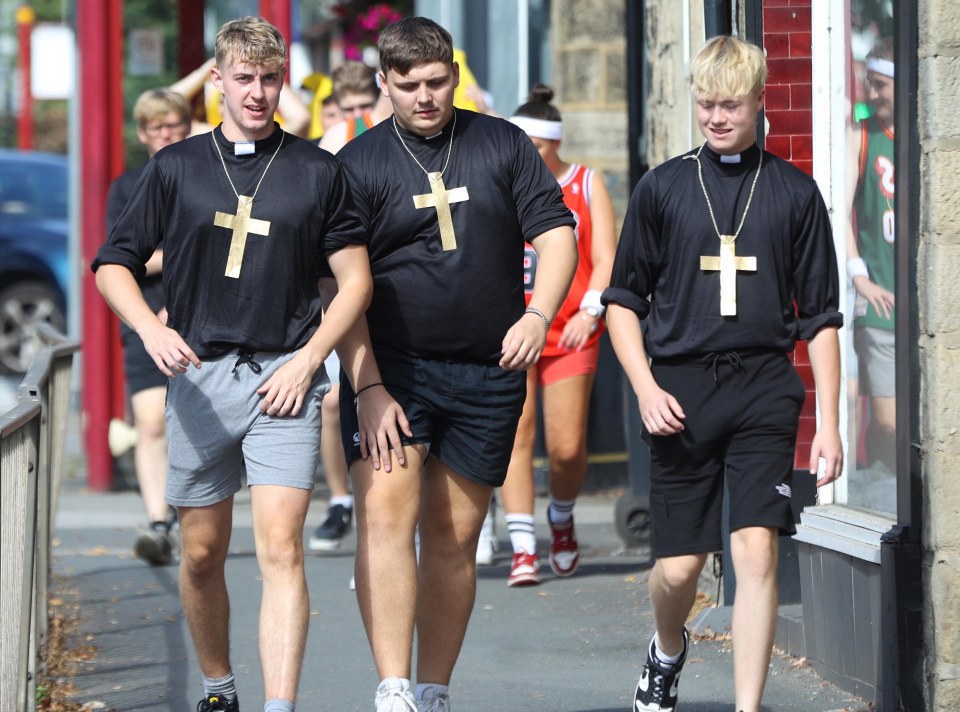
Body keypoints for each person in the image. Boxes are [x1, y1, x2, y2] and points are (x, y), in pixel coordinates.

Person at [92, 16, 372, 712]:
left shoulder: (316, 169)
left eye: (269, 78)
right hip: (199, 380)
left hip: (285, 375)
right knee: (201, 553)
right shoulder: (176, 168)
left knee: (282, 549)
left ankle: (280, 706)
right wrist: (148, 331)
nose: (257, 92)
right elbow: (112, 266)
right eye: (243, 78)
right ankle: (219, 687)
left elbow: (355, 279)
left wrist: (309, 361)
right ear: (215, 82)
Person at [332, 17, 578, 712]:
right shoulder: (358, 164)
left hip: (486, 369)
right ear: (385, 84)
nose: (425, 98)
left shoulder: (499, 143)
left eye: (437, 82)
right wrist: (368, 383)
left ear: (455, 76)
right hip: (394, 371)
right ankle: (393, 687)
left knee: (455, 535)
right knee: (385, 516)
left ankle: (435, 688)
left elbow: (557, 233)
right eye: (407, 86)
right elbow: (338, 286)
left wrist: (539, 315)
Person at [602, 36, 843, 712]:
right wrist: (646, 388)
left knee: (757, 552)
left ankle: (748, 706)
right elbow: (622, 305)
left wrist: (826, 424)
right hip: (680, 389)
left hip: (764, 387)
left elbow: (820, 317)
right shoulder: (664, 188)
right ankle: (667, 648)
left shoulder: (795, 194)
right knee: (677, 568)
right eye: (705, 104)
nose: (714, 117)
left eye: (729, 104)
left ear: (761, 102)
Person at [488, 84, 617, 585]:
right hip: (510, 328)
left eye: (536, 147)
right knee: (515, 435)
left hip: (567, 328)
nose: (528, 156)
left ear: (554, 144)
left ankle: (561, 518)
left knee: (565, 447)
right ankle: (523, 547)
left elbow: (606, 255)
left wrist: (592, 310)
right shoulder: (503, 182)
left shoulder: (585, 183)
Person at [105, 88, 191, 565]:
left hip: (197, 317)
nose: (166, 133)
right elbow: (118, 261)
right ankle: (159, 523)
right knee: (151, 422)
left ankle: (185, 513)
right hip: (144, 316)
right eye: (157, 127)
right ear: (142, 134)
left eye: (175, 124)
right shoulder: (127, 186)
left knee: (192, 428)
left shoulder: (205, 174)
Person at [847, 37, 896, 476]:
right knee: (888, 419)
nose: (872, 94)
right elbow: (840, 208)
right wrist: (858, 275)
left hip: (922, 303)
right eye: (869, 84)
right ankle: (886, 490)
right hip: (879, 300)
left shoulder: (925, 137)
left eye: (881, 85)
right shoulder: (862, 135)